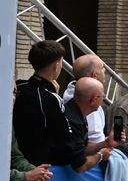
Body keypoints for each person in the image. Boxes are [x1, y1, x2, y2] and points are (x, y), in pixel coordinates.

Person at [13, 40, 110, 171]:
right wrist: (99, 154)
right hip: (43, 167)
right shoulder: (52, 98)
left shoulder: (19, 87)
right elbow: (67, 144)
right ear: (56, 65)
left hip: (19, 157)